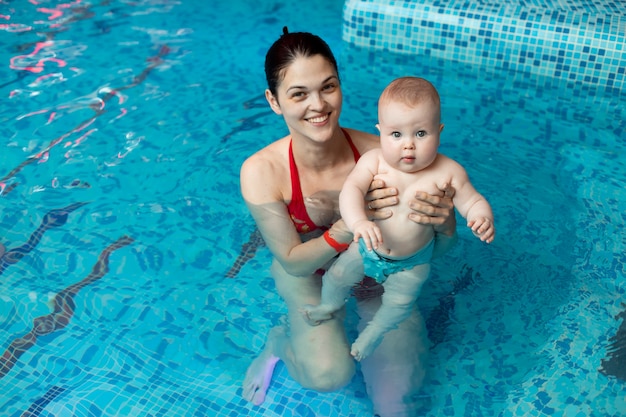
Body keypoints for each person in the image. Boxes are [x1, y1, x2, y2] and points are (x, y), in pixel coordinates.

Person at [239, 28, 458, 417]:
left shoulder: (383, 154)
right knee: (328, 375)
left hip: (378, 273)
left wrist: (446, 226)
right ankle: (279, 344)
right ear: (274, 101)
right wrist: (345, 226)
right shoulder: (263, 172)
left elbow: (432, 252)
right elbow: (292, 260)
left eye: (328, 87)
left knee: (397, 407)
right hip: (308, 273)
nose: (318, 105)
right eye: (298, 94)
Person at [300, 77, 495, 362]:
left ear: (439, 132)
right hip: (368, 246)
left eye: (420, 134)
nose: (408, 146)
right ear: (379, 132)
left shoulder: (448, 171)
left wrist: (481, 217)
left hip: (413, 261)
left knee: (399, 302)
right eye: (396, 135)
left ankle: (374, 332)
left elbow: (472, 199)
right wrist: (359, 223)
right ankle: (328, 306)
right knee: (338, 276)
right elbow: (351, 191)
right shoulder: (373, 162)